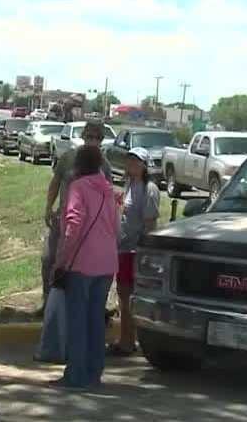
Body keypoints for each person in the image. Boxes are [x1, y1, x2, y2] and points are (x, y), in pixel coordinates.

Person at [36, 121, 113, 363]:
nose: (92, 140)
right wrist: (49, 207)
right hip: (64, 220)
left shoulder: (105, 166)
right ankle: (49, 307)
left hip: (82, 233)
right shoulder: (68, 158)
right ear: (82, 136)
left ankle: (70, 357)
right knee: (48, 261)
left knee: (70, 280)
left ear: (101, 139)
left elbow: (108, 200)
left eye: (96, 137)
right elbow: (55, 183)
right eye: (89, 135)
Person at [51, 145, 119, 390]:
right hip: (107, 262)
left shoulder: (77, 188)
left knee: (78, 321)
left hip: (81, 263)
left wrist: (61, 262)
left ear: (78, 165)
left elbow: (73, 226)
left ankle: (75, 375)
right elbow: (115, 228)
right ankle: (93, 372)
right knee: (95, 319)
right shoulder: (109, 191)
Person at [107, 147, 159, 357]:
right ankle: (126, 338)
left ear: (144, 165)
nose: (130, 164)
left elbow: (150, 223)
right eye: (129, 160)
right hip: (122, 247)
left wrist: (144, 250)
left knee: (127, 297)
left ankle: (128, 342)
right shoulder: (130, 185)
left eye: (135, 161)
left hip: (134, 251)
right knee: (123, 295)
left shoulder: (149, 188)